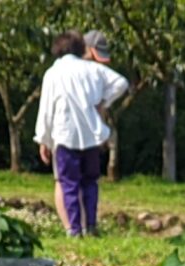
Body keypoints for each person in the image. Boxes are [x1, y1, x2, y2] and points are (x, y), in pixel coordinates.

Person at [35, 30, 131, 237]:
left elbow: (46, 109)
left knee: (69, 184)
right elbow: (121, 83)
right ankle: (91, 226)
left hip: (65, 135)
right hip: (91, 136)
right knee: (90, 182)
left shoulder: (53, 73)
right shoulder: (92, 69)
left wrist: (43, 139)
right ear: (81, 48)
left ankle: (75, 230)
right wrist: (103, 103)